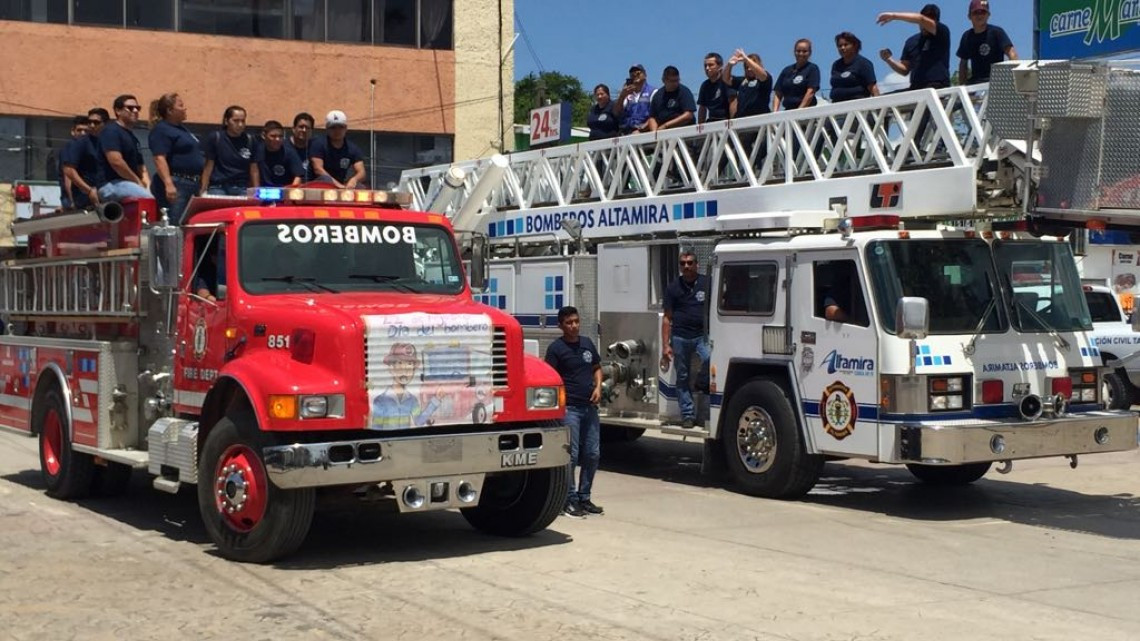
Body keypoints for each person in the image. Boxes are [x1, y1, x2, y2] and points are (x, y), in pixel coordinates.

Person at [544, 305, 603, 518]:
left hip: (590, 408)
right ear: (561, 326)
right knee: (572, 455)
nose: (574, 326)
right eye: (569, 323)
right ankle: (568, 499)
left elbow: (597, 368)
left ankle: (584, 496)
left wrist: (598, 387)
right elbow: (549, 378)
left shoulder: (587, 344)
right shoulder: (556, 349)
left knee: (593, 453)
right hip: (570, 410)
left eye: (576, 321)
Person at [661, 248, 711, 429]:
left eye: (690, 263)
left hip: (702, 336)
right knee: (682, 376)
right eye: (683, 263)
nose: (686, 266)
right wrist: (665, 345)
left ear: (697, 264)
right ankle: (688, 415)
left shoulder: (707, 283)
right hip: (680, 337)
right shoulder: (673, 287)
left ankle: (701, 383)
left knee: (710, 361)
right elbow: (667, 317)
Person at [148, 92, 204, 224]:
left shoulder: (182, 130)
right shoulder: (162, 130)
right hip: (177, 183)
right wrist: (169, 184)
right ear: (170, 110)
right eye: (181, 105)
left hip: (192, 184)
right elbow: (159, 158)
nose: (185, 108)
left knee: (189, 224)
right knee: (175, 224)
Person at [370, 343, 443, 429]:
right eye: (399, 363)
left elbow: (419, 421)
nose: (404, 370)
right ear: (391, 368)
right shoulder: (380, 401)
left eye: (409, 364)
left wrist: (436, 400)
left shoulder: (412, 400)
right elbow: (376, 427)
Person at [878, 5, 951, 90]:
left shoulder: (942, 33)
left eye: (929, 20)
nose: (924, 25)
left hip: (938, 85)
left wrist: (894, 16)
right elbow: (904, 70)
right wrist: (889, 59)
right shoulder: (911, 41)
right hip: (916, 87)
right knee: (890, 100)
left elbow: (921, 19)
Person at [96, 94, 151, 202]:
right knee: (148, 200)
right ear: (118, 111)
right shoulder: (111, 131)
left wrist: (148, 185)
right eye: (130, 108)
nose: (135, 111)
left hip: (128, 184)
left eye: (137, 108)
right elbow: (116, 162)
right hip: (111, 185)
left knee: (155, 198)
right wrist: (137, 182)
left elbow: (141, 167)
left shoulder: (133, 138)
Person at [200, 105, 259, 196]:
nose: (240, 125)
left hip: (241, 187)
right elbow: (208, 166)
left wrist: (256, 191)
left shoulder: (250, 140)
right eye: (236, 121)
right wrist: (203, 189)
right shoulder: (216, 138)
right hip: (218, 187)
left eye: (242, 121)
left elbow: (254, 169)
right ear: (227, 121)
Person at [957, 0, 1017, 84]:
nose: (979, 15)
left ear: (988, 15)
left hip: (996, 82)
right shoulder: (967, 36)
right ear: (969, 16)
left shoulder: (997, 32)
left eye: (983, 12)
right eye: (976, 13)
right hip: (975, 84)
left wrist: (1014, 80)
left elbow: (1012, 53)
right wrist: (962, 86)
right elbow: (963, 64)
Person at [61, 109, 109, 210]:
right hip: (85, 197)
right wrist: (88, 191)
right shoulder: (80, 143)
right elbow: (68, 171)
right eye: (89, 122)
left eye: (96, 122)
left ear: (105, 124)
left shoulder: (108, 142)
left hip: (104, 190)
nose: (91, 125)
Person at [310, 110, 366, 188]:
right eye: (333, 127)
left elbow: (361, 172)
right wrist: (338, 185)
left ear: (346, 128)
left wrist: (354, 180)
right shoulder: (318, 144)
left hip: (341, 185)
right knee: (324, 178)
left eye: (341, 127)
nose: (337, 131)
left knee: (360, 187)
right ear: (327, 128)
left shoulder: (352, 148)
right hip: (320, 186)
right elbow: (318, 169)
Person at [830, 32, 880, 102]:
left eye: (846, 45)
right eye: (839, 46)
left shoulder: (863, 63)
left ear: (854, 45)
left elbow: (872, 87)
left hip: (858, 106)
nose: (842, 48)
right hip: (836, 106)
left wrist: (878, 107)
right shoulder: (836, 65)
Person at [722, 49, 772, 119]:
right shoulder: (742, 81)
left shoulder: (765, 79)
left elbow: (763, 75)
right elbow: (726, 79)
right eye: (746, 67)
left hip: (760, 120)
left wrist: (746, 59)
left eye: (751, 66)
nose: (749, 69)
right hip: (742, 121)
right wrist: (729, 65)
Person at [774, 39, 821, 111]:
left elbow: (810, 92)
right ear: (794, 52)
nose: (801, 54)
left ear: (810, 53)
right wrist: (775, 112)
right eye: (798, 51)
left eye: (804, 51)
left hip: (806, 112)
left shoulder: (812, 69)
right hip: (788, 111)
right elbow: (778, 93)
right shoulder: (786, 70)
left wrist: (799, 111)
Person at [647, 65, 696, 131]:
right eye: (672, 81)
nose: (675, 83)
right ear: (664, 80)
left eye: (677, 80)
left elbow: (689, 115)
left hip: (683, 131)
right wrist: (655, 133)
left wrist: (666, 125)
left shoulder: (684, 92)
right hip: (663, 134)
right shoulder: (658, 95)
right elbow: (652, 117)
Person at [258, 120, 305, 187]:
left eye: (280, 136)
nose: (277, 139)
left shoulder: (289, 153)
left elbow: (298, 176)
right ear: (263, 135)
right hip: (261, 192)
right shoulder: (257, 151)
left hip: (284, 192)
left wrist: (291, 190)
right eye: (273, 136)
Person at [58, 116, 90, 208]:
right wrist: (72, 201)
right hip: (72, 198)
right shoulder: (70, 148)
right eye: (79, 130)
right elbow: (68, 176)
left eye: (86, 131)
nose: (83, 133)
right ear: (73, 131)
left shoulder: (87, 148)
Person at [614, 63, 654, 135]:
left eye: (638, 73)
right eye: (632, 74)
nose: (635, 75)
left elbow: (656, 114)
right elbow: (616, 113)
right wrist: (622, 96)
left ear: (645, 75)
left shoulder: (653, 92)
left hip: (643, 132)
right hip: (626, 132)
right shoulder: (626, 94)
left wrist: (642, 128)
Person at [697, 52, 732, 124]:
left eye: (710, 65)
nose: (707, 68)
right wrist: (700, 127)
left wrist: (733, 122)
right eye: (705, 66)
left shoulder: (727, 81)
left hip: (725, 121)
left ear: (720, 66)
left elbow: (733, 102)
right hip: (711, 123)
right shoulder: (705, 85)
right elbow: (702, 108)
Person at [290, 112, 316, 182]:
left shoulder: (316, 147)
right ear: (293, 129)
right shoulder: (283, 147)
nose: (304, 130)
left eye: (307, 128)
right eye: (301, 127)